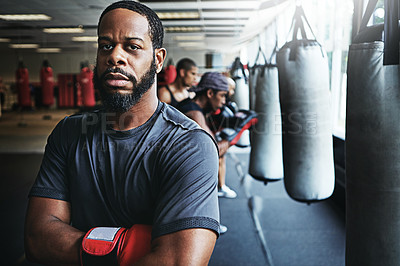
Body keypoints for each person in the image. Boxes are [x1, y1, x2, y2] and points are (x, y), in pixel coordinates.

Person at [24, 1, 220, 265]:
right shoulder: (67, 133)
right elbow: (38, 238)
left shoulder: (189, 144)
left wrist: (77, 245)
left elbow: (179, 261)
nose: (114, 56)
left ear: (158, 59)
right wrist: (128, 246)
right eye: (106, 45)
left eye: (132, 47)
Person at [177, 72, 257, 233]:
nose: (223, 101)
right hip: (182, 175)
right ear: (209, 93)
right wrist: (238, 131)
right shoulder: (194, 113)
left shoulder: (190, 105)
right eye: (222, 96)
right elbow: (212, 151)